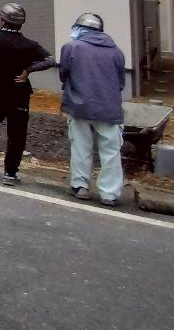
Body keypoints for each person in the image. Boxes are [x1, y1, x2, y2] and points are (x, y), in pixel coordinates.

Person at [0, 3, 57, 185]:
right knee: (17, 134)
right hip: (19, 94)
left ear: (2, 20)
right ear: (21, 23)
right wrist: (28, 70)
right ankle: (10, 173)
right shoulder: (29, 45)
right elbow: (50, 60)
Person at [58, 12, 126, 206]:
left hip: (79, 106)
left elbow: (64, 74)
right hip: (109, 108)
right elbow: (120, 83)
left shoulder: (71, 47)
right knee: (111, 152)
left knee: (80, 147)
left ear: (81, 29)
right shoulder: (116, 52)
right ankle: (110, 194)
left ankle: (80, 186)